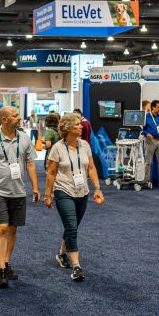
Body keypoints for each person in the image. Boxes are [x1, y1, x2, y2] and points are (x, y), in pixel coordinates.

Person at [0, 106, 41, 289]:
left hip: (18, 191)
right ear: (4, 120)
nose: (19, 118)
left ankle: (7, 261)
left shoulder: (25, 139)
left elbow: (30, 165)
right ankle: (2, 269)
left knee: (13, 229)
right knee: (2, 227)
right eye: (15, 116)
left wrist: (35, 187)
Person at [44, 112, 105, 282]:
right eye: (78, 124)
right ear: (68, 128)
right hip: (63, 191)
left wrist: (97, 188)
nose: (81, 126)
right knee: (71, 227)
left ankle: (62, 254)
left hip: (82, 191)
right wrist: (47, 195)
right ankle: (76, 266)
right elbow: (51, 173)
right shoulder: (57, 147)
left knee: (73, 227)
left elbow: (91, 168)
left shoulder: (85, 145)